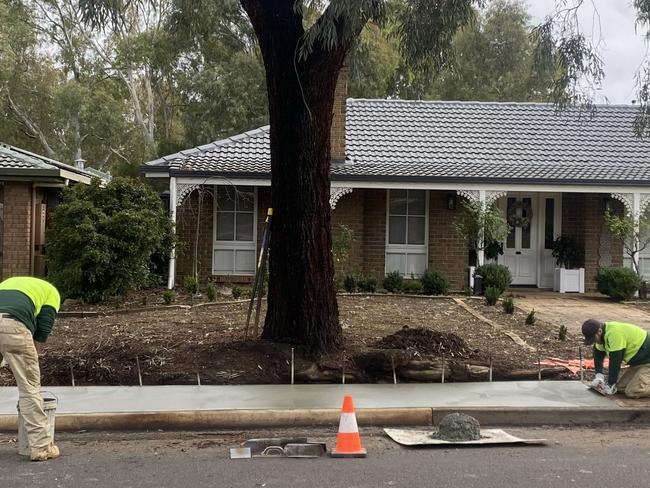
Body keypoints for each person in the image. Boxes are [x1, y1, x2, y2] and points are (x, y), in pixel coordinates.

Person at [0, 276, 61, 461]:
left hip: (7, 322)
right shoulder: (52, 294)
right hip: (13, 326)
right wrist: (30, 361)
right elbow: (41, 332)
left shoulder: (5, 285)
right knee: (29, 389)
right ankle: (41, 448)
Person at [582, 319, 650, 398]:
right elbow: (598, 356)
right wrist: (599, 376)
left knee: (633, 391)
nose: (594, 342)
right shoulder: (602, 336)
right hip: (640, 363)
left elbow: (615, 362)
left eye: (594, 339)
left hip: (647, 360)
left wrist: (610, 384)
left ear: (599, 331)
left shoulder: (615, 334)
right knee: (620, 388)